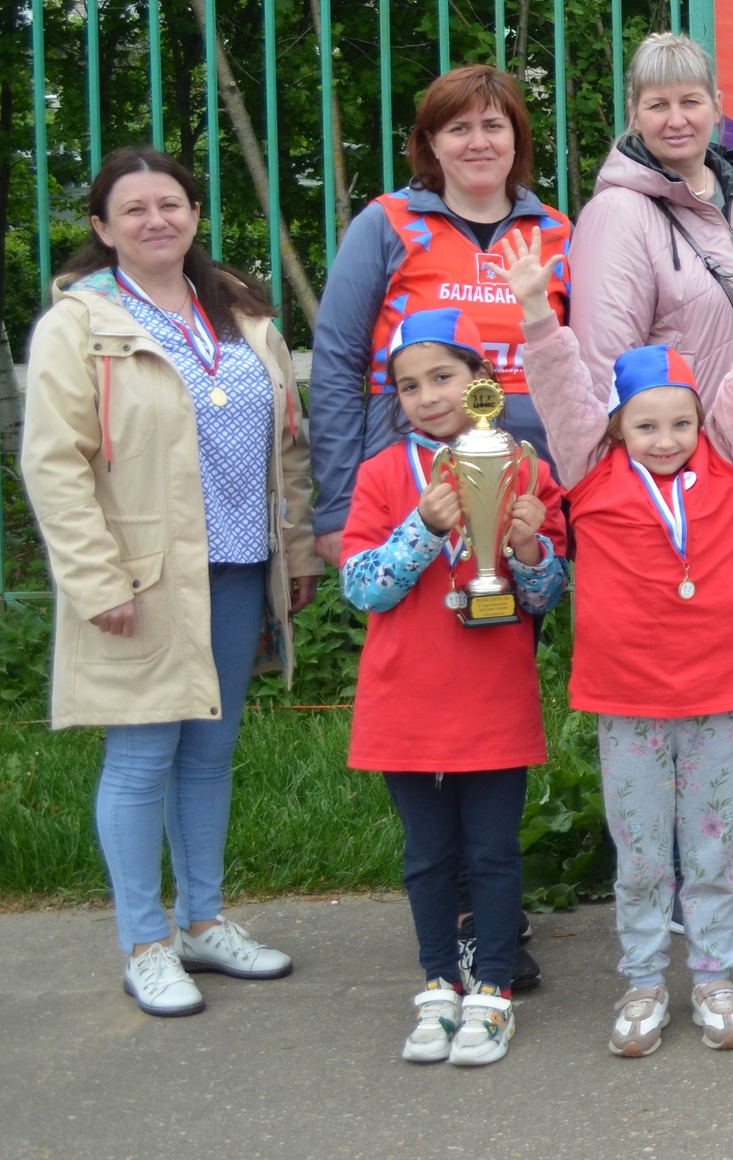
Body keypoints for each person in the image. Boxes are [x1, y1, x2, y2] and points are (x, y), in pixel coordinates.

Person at [23, 147, 322, 1018]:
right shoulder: (80, 325)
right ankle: (143, 942)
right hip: (143, 579)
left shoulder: (239, 313)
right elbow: (55, 464)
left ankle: (202, 921)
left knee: (211, 752)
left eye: (171, 203)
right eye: (134, 209)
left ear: (194, 214)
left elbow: (288, 446)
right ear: (102, 227)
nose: (156, 219)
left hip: (236, 568)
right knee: (143, 756)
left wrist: (296, 552)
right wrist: (95, 580)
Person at [510, 230, 733, 1056]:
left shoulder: (728, 464)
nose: (667, 439)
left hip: (716, 695)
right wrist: (537, 310)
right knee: (641, 856)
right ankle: (642, 982)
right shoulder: (588, 472)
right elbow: (563, 386)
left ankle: (712, 978)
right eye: (646, 425)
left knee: (710, 849)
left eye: (679, 422)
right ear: (617, 429)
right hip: (628, 698)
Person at [567, 32, 733, 903]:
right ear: (632, 114)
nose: (676, 118)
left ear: (716, 106)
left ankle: (706, 842)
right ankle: (657, 863)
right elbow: (602, 366)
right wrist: (640, 492)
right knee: (674, 683)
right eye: (656, 103)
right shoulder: (618, 217)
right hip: (679, 499)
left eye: (691, 100)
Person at [338, 310, 569, 1065]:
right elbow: (364, 588)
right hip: (405, 700)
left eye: (442, 377)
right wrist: (421, 528)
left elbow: (543, 596)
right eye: (409, 386)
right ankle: (438, 985)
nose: (428, 396)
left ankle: (493, 989)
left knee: (496, 854)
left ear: (479, 383)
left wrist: (530, 543)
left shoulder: (525, 466)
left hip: (491, 698)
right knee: (427, 856)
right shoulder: (378, 477)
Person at [307, 65, 572, 566]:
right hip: (409, 469)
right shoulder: (385, 223)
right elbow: (338, 366)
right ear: (431, 143)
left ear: (517, 138)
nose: (479, 143)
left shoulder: (556, 232)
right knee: (416, 623)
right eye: (458, 128)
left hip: (528, 476)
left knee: (517, 628)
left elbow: (582, 365)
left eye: (494, 126)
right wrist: (339, 504)